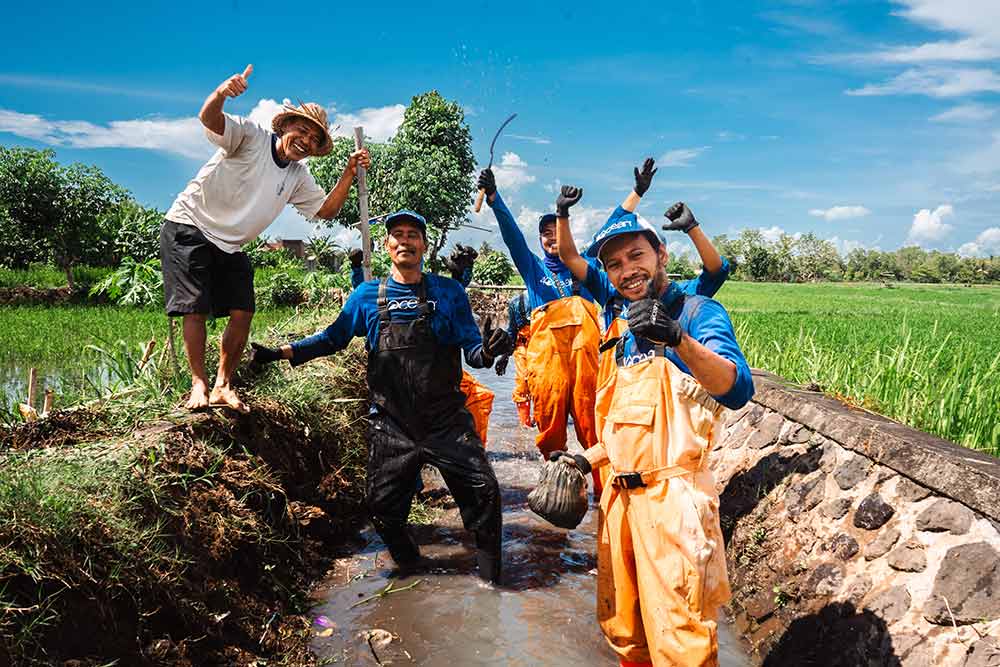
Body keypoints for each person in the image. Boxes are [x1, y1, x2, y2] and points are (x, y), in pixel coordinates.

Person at [547, 177, 754, 666]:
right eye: (615, 264)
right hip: (619, 500)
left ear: (660, 253)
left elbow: (738, 387)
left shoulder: (697, 312)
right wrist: (582, 458)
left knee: (680, 643)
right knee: (626, 633)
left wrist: (678, 340)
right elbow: (627, 429)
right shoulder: (621, 330)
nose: (626, 271)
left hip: (674, 505)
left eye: (636, 256)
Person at [250, 211, 510, 583]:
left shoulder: (448, 293)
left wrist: (488, 350)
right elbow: (332, 338)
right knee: (382, 509)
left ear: (423, 244)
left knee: (486, 493)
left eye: (413, 235)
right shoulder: (366, 296)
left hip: (446, 421)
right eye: (397, 235)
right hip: (392, 425)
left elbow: (472, 349)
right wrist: (283, 353)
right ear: (387, 246)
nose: (405, 241)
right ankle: (413, 567)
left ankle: (491, 585)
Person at [160, 64, 370, 412]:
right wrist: (221, 94)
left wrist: (349, 173)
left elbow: (326, 211)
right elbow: (209, 119)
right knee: (193, 309)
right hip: (190, 224)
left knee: (243, 310)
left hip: (231, 244)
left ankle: (222, 385)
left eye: (313, 140)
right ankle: (198, 384)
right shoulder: (250, 135)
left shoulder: (298, 177)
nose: (304, 141)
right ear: (285, 126)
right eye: (301, 131)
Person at [479, 164, 657, 491]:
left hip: (589, 363)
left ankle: (605, 498)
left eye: (555, 230)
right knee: (550, 431)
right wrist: (494, 196)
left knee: (596, 428)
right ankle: (556, 490)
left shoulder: (586, 264)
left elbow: (612, 225)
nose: (551, 236)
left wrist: (638, 192)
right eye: (545, 233)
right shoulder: (533, 270)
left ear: (565, 231)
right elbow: (512, 235)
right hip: (548, 366)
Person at [347, 243, 495, 446]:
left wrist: (462, 272)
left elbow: (453, 300)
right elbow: (362, 304)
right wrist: (356, 268)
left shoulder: (439, 294)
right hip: (395, 392)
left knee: (477, 401)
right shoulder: (379, 295)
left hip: (435, 380)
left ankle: (470, 451)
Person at [663, 202, 731, 299]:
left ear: (662, 256)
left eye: (638, 255)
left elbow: (716, 272)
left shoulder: (677, 296)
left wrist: (691, 227)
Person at [493, 291, 533, 428]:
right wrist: (504, 356)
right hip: (523, 347)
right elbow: (512, 332)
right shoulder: (516, 302)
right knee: (522, 385)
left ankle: (544, 424)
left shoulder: (551, 297)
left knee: (544, 387)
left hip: (546, 347)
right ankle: (525, 425)